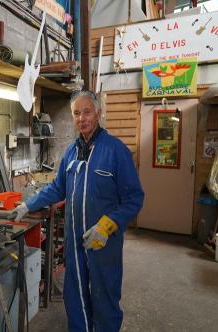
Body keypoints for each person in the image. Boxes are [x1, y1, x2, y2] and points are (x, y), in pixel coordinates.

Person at [12, 90, 144, 331]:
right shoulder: (71, 152)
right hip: (75, 242)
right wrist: (28, 204)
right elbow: (57, 188)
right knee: (75, 295)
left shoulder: (116, 151)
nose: (81, 118)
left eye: (87, 112)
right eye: (76, 113)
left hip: (104, 241)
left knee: (105, 297)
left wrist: (107, 225)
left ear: (98, 114)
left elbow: (134, 199)